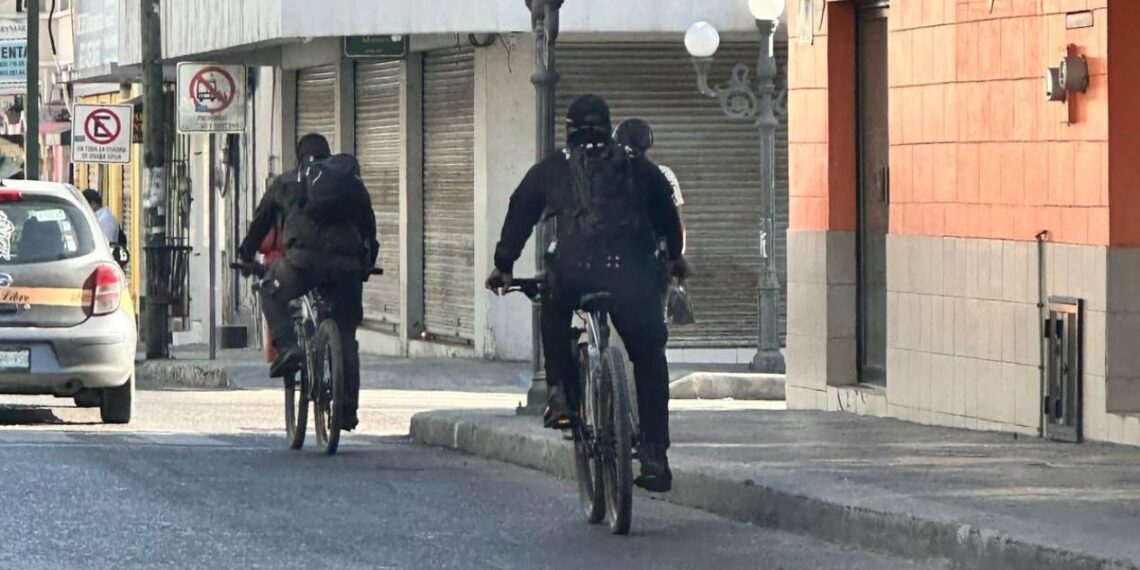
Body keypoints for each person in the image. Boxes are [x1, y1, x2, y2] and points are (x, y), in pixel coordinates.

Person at [486, 95, 688, 493]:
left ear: (569, 128)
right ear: (608, 127)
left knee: (553, 305)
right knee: (649, 355)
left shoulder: (554, 166)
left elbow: (521, 208)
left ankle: (560, 394)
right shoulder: (637, 164)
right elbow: (667, 214)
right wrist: (674, 258)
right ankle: (654, 455)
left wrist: (504, 264)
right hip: (632, 274)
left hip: (574, 270)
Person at [237, 133, 379, 431]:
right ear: (329, 156)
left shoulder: (287, 182)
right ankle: (347, 409)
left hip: (303, 265)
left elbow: (261, 222)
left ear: (298, 158)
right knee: (346, 334)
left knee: (269, 290)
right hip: (347, 267)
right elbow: (369, 226)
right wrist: (367, 263)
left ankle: (289, 348)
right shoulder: (349, 183)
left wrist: (246, 255)